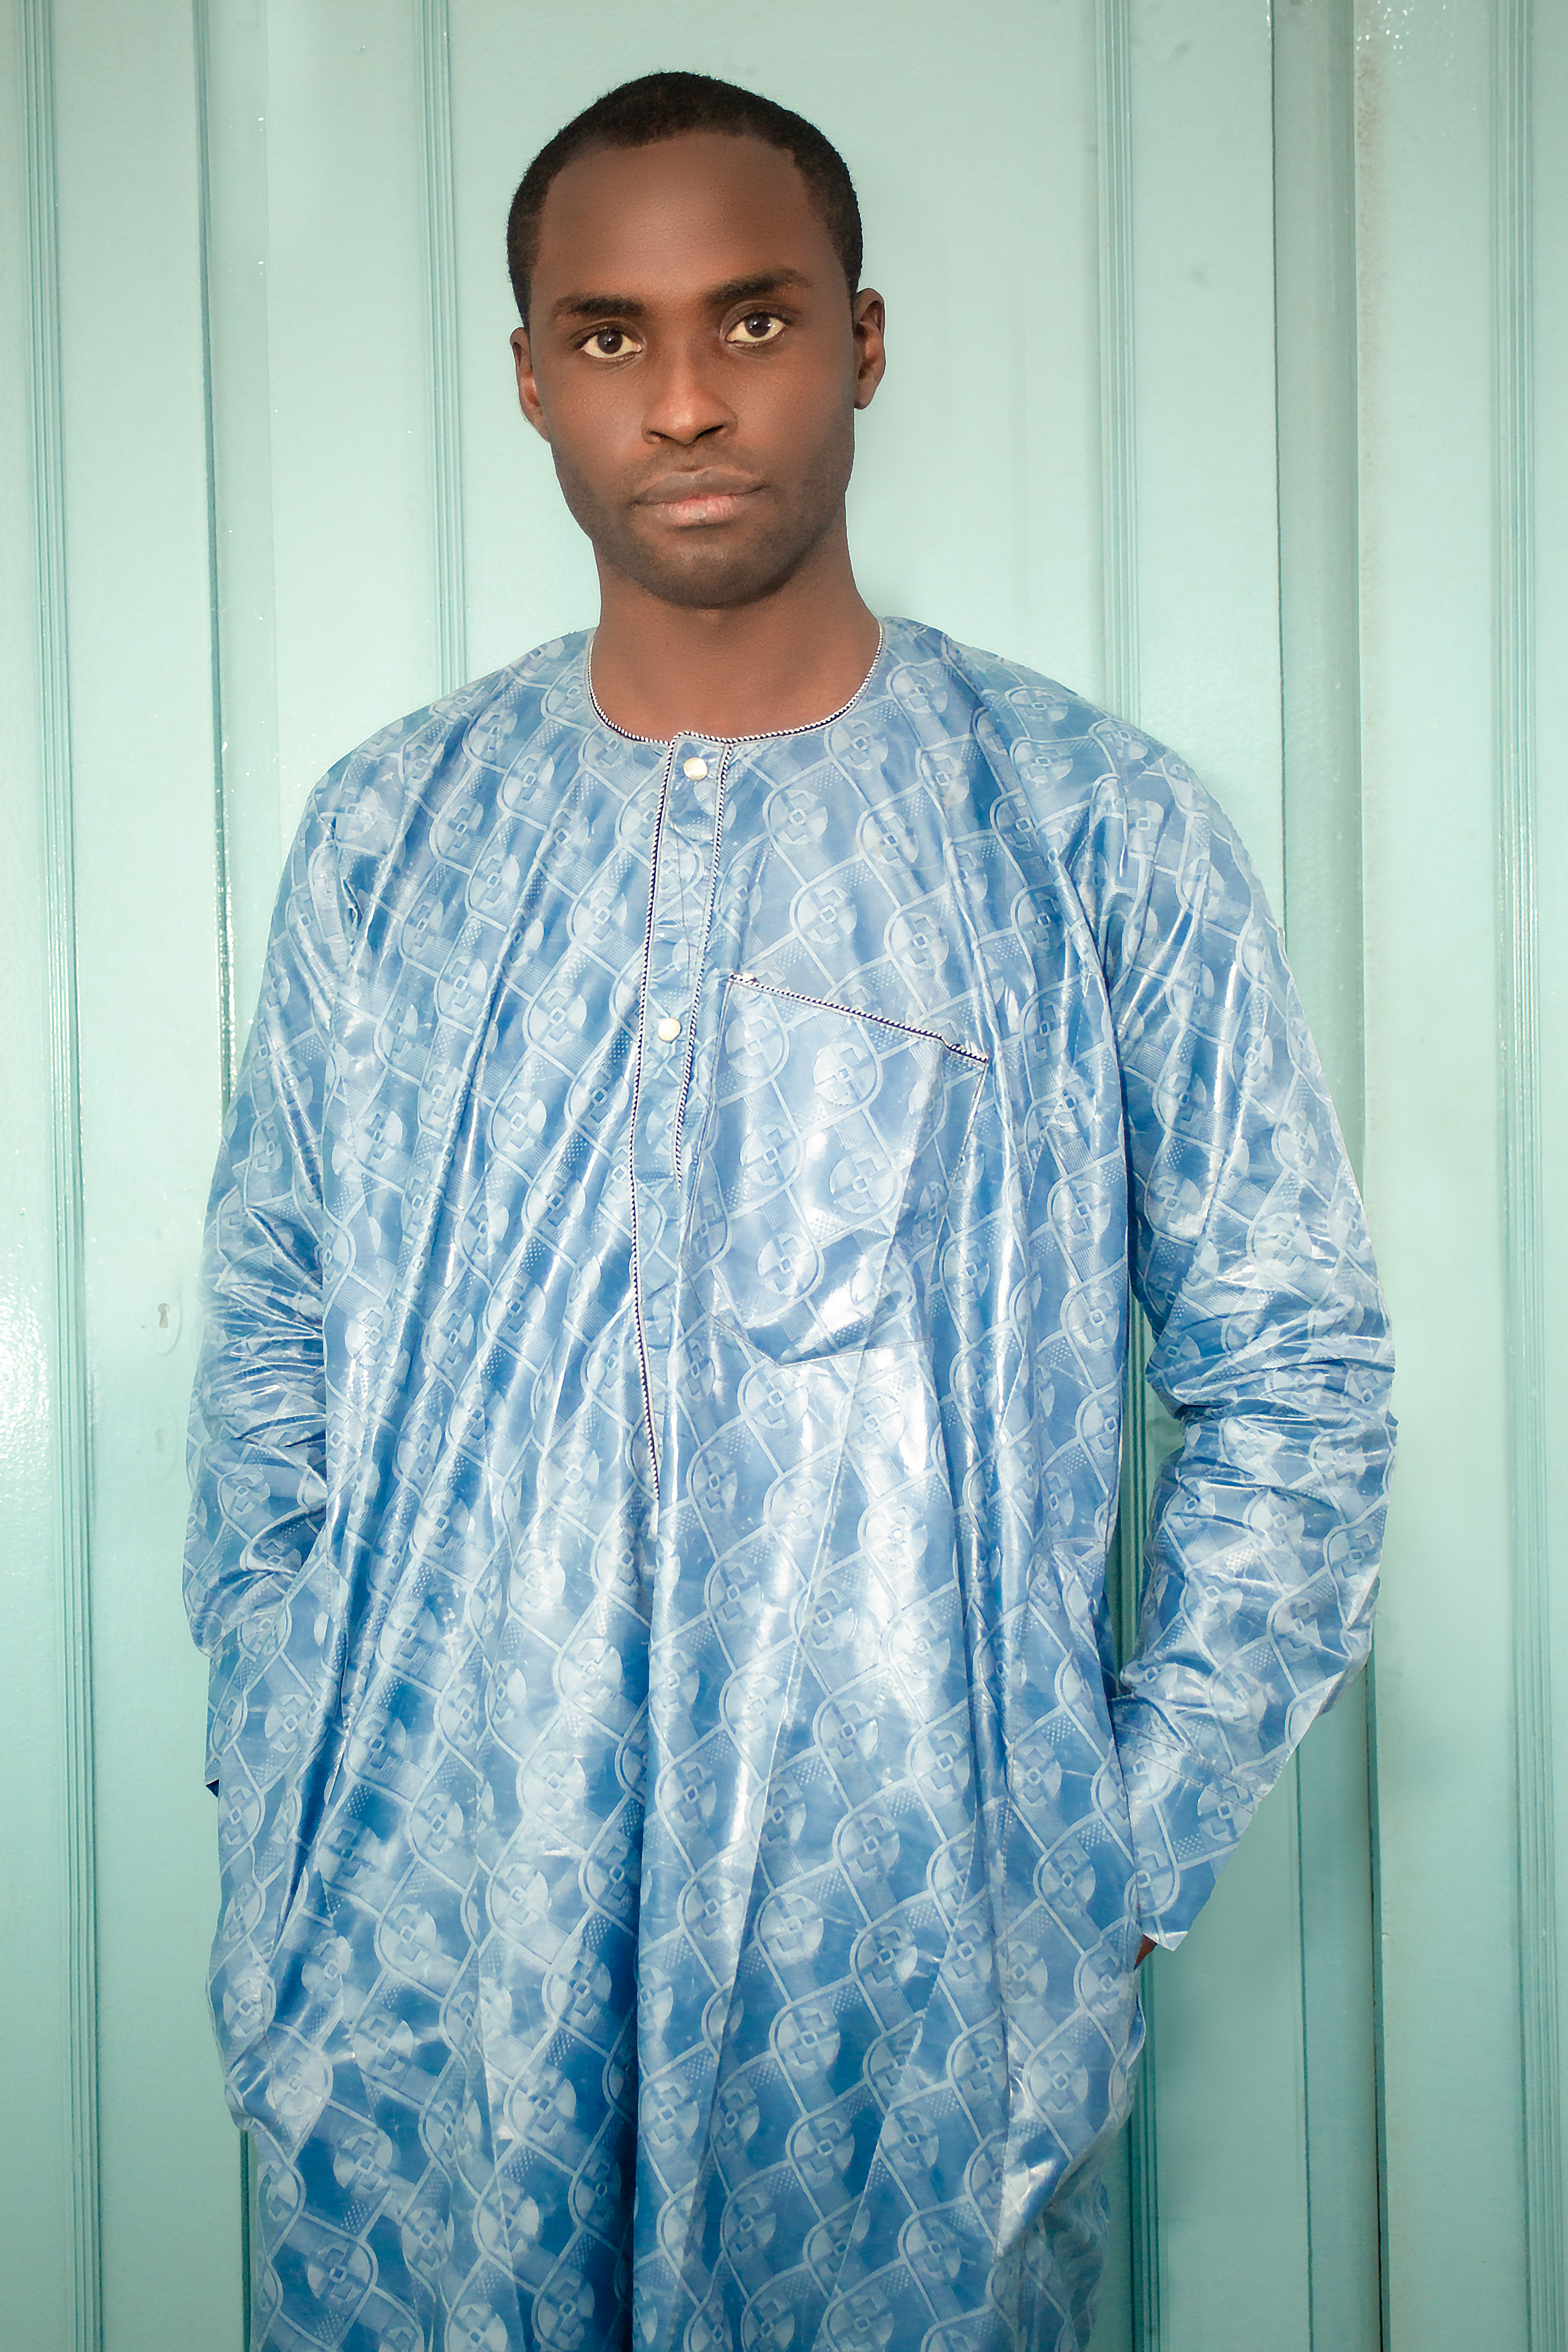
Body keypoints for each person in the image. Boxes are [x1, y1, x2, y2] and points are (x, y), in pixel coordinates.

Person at [185, 69, 1395, 2352]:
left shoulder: (1085, 828)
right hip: (433, 1978)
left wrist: (1103, 1863)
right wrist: (295, 1792)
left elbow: (1298, 1374)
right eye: (612, 336)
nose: (685, 400)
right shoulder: (391, 840)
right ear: (530, 376)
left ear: (861, 340)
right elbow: (272, 1342)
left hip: (907, 2001)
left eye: (750, 319)